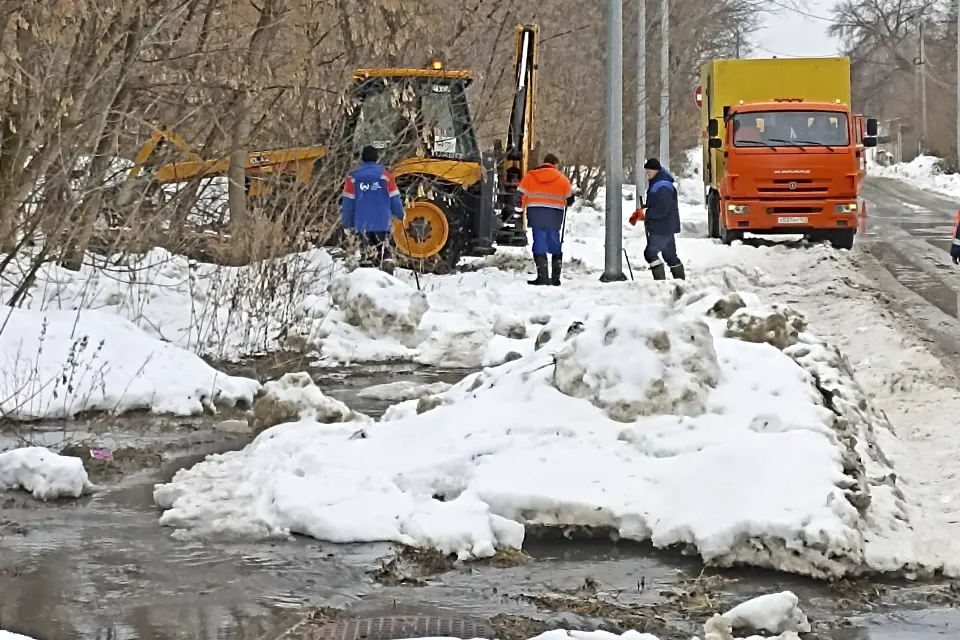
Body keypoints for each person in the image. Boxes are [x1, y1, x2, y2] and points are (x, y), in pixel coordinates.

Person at [341, 146, 405, 273]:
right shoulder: (386, 177)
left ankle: (368, 275)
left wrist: (347, 222)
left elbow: (348, 203)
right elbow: (394, 198)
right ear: (377, 159)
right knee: (383, 248)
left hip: (362, 223)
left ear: (362, 159)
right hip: (382, 221)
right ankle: (386, 267)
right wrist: (400, 214)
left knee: (366, 253)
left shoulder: (353, 178)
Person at [517, 153, 575, 286]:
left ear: (544, 162)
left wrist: (518, 210)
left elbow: (520, 195)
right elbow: (569, 200)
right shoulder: (562, 179)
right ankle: (555, 279)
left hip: (536, 214)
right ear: (555, 164)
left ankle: (542, 277)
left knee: (539, 242)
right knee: (554, 242)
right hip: (554, 216)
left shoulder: (530, 177)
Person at [629, 158, 685, 281]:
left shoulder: (662, 186)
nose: (647, 174)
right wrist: (644, 210)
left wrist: (646, 213)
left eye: (648, 171)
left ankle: (660, 283)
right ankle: (680, 282)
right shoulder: (660, 183)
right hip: (666, 226)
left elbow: (662, 209)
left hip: (662, 227)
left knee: (650, 253)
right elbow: (658, 205)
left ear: (655, 170)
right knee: (670, 256)